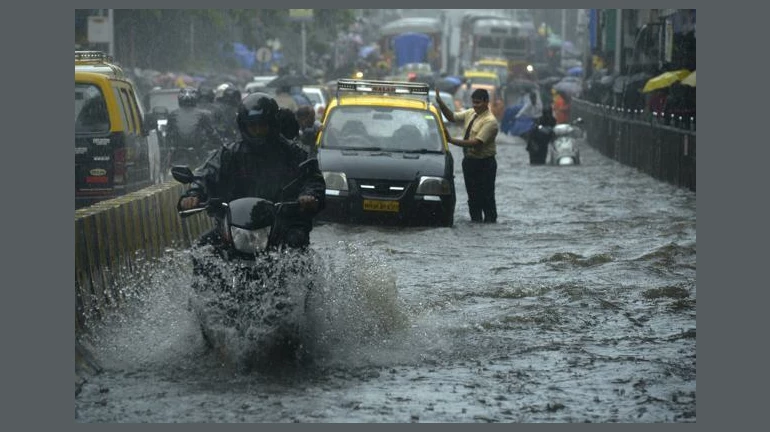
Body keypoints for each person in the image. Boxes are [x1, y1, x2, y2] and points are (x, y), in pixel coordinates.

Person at [178, 94, 326, 250]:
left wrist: (309, 196)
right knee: (201, 249)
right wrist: (193, 194)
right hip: (235, 226)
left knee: (297, 246)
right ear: (244, 126)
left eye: (262, 125)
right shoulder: (229, 154)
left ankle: (304, 275)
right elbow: (206, 173)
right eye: (252, 126)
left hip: (283, 224)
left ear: (272, 124)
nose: (257, 130)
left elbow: (312, 179)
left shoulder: (294, 154)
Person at [434, 87, 499, 223]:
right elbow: (452, 117)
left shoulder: (490, 121)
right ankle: (475, 223)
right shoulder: (470, 113)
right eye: (473, 102)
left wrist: (451, 140)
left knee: (487, 197)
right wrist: (440, 103)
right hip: (470, 162)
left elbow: (476, 143)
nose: (475, 106)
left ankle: (490, 223)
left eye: (478, 103)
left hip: (485, 163)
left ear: (486, 102)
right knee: (473, 197)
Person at [165, 87, 220, 169]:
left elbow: (168, 135)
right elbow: (212, 133)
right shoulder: (203, 114)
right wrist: (220, 144)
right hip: (196, 152)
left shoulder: (173, 114)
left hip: (180, 153)